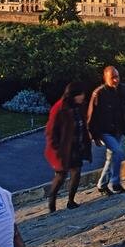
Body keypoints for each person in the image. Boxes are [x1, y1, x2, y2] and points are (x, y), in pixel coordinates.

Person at [87, 66, 125, 195]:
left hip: (119, 129)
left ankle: (102, 185)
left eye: (117, 77)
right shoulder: (99, 94)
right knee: (119, 152)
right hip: (104, 131)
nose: (116, 80)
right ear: (105, 78)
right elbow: (91, 117)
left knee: (112, 157)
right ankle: (115, 183)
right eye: (112, 78)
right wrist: (94, 136)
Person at [44, 82, 92, 212]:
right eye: (80, 94)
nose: (82, 97)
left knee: (76, 172)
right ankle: (52, 200)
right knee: (61, 175)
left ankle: (71, 200)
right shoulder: (59, 109)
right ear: (72, 95)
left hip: (76, 145)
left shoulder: (79, 106)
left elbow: (83, 122)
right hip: (63, 148)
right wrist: (57, 148)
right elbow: (50, 131)